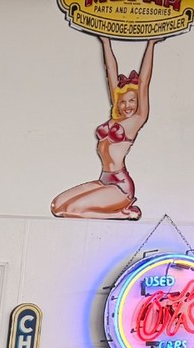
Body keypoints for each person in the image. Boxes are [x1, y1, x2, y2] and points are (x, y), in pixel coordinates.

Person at [52, 36, 159, 221]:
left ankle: (121, 213)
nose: (127, 106)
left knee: (69, 210)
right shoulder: (113, 120)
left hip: (120, 187)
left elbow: (144, 82)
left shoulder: (136, 121)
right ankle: (119, 212)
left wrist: (151, 45)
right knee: (57, 206)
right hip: (104, 180)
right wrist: (105, 43)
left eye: (132, 101)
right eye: (123, 101)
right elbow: (111, 71)